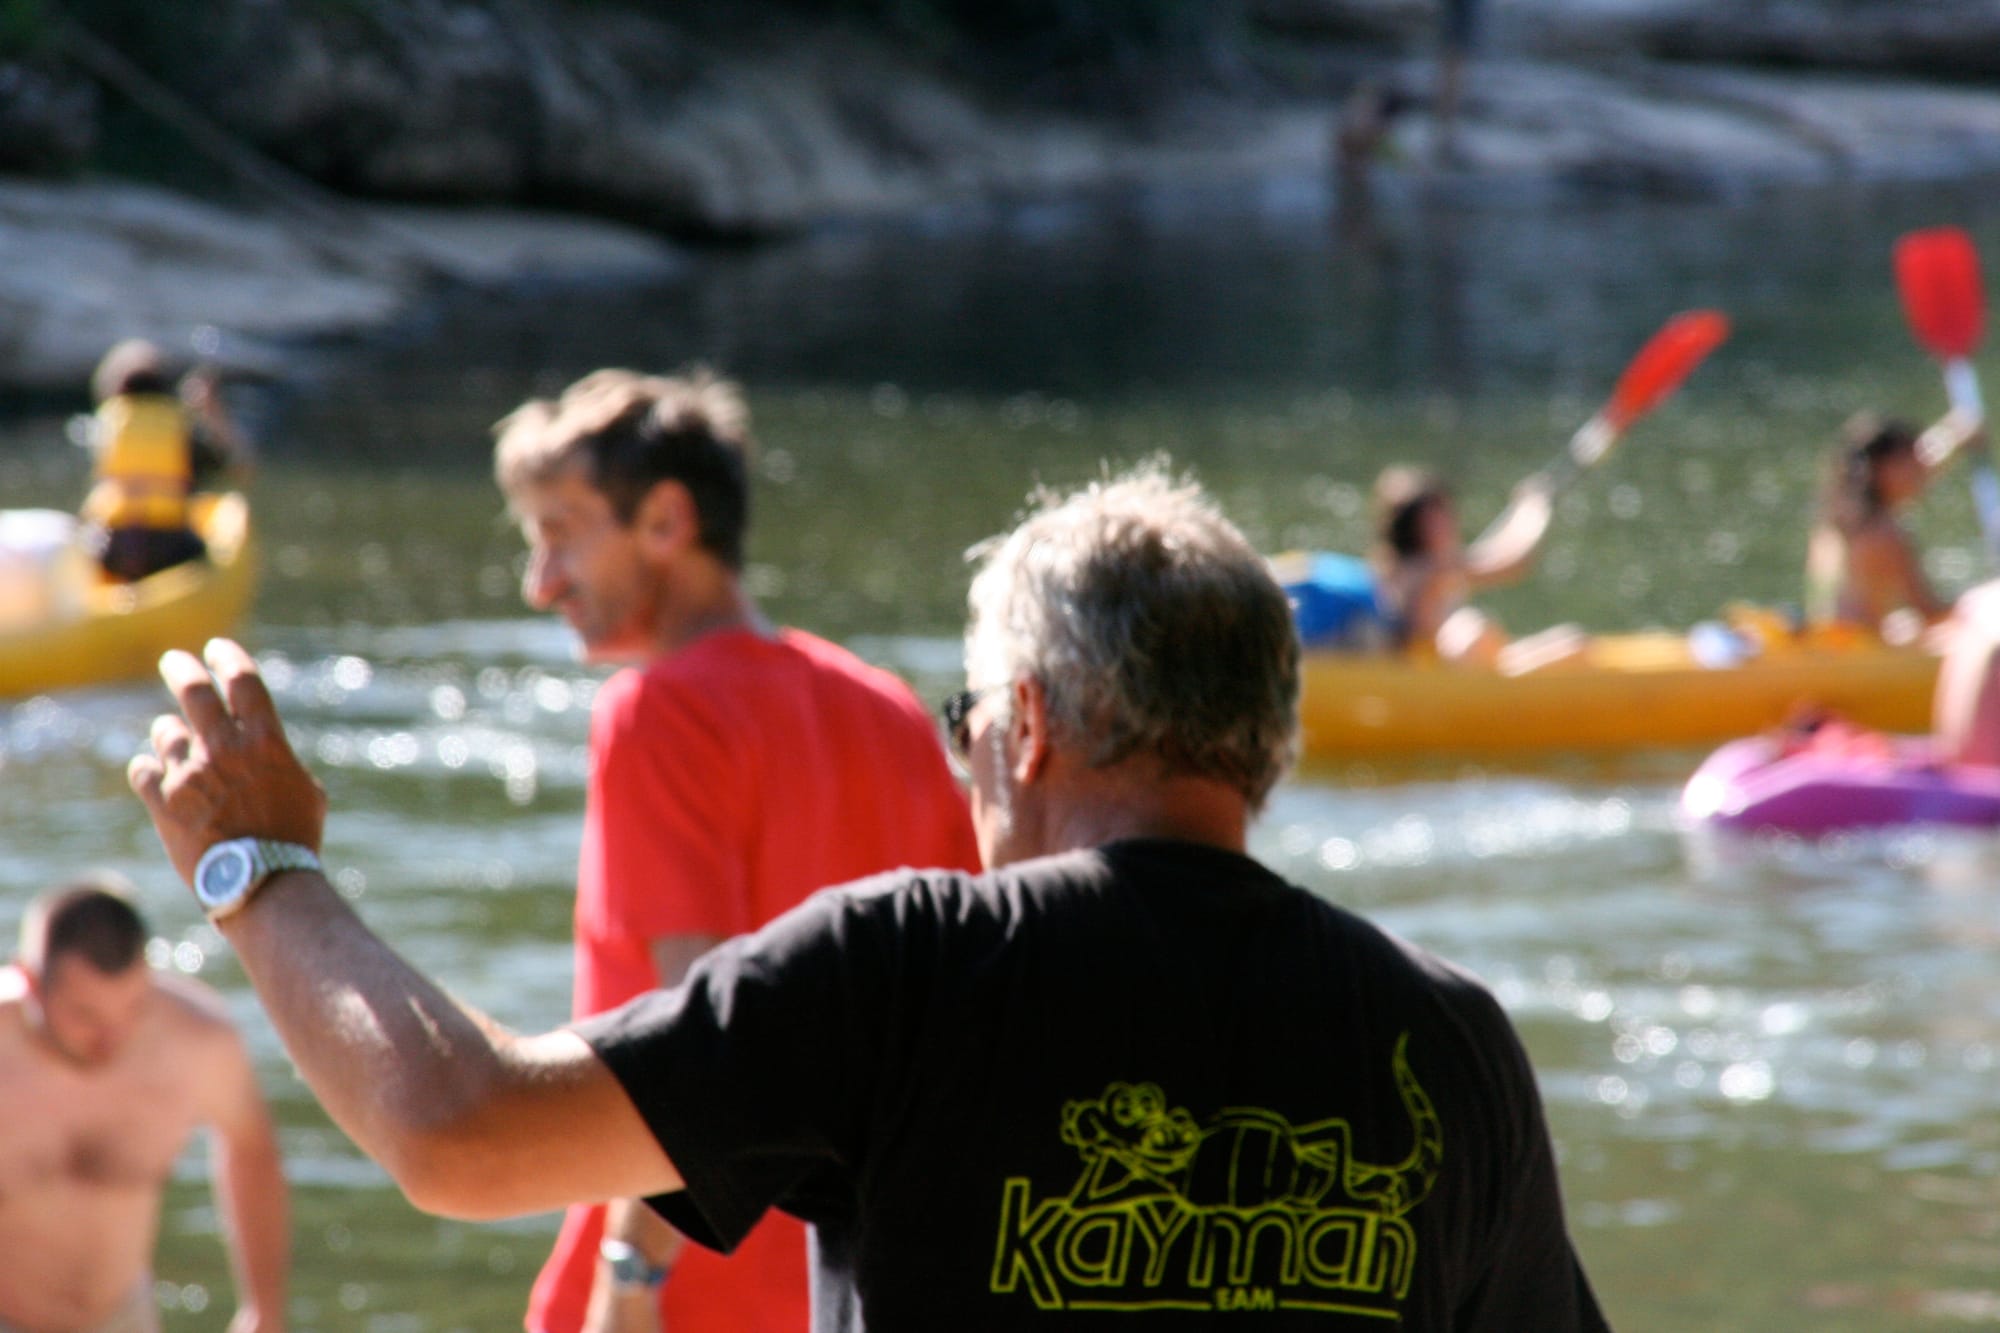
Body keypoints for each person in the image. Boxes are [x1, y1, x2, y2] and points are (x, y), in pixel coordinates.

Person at [127, 461, 1611, 1331]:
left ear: (1026, 723)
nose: (961, 760)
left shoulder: (912, 969)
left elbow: (462, 1131)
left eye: (962, 721)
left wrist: (261, 872)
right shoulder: (1448, 1040)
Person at [492, 368, 981, 1333]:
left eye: (560, 531)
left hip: (682, 1292)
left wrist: (628, 1276)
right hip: (860, 1285)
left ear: (667, 521)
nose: (540, 580)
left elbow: (705, 1036)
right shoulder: (885, 705)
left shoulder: (656, 712)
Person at [0, 875, 290, 1333]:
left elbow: (251, 1148)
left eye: (133, 1007)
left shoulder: (196, 1040)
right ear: (31, 983)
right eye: (85, 1015)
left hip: (123, 1316)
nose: (111, 1039)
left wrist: (263, 1309)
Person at [1370, 464, 1583, 671]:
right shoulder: (1430, 569)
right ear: (1423, 525)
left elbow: (1495, 550)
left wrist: (1523, 507)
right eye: (1441, 515)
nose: (1452, 521)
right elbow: (1515, 561)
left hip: (1452, 667)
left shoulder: (1401, 567)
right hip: (1441, 675)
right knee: (1473, 630)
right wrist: (1535, 506)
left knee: (1574, 643)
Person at [1805, 406, 1986, 637]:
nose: (1918, 469)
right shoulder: (1884, 533)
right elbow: (1929, 612)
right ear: (1883, 470)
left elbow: (1921, 469)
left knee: (1901, 622)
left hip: (1833, 639)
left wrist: (1953, 436)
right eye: (1910, 461)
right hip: (1859, 653)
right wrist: (1986, 602)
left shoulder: (1839, 513)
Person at [79, 339, 250, 583]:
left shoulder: (110, 424)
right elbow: (240, 468)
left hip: (112, 551)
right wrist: (212, 411)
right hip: (172, 550)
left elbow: (99, 497)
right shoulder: (179, 425)